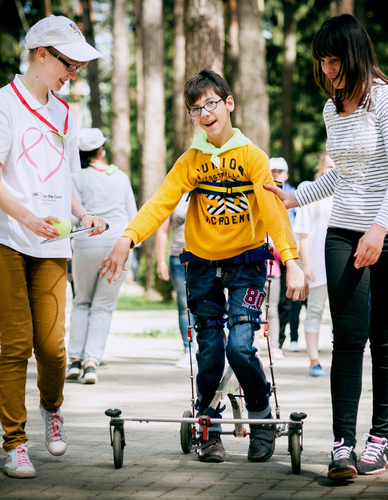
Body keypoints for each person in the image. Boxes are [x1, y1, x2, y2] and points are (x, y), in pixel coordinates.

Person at [100, 68, 308, 464]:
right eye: (196, 109)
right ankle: (208, 424)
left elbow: (272, 211)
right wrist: (127, 238)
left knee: (241, 345)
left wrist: (292, 260)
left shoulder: (252, 157)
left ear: (229, 104)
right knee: (210, 351)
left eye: (211, 103)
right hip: (201, 266)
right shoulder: (191, 160)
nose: (205, 113)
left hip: (247, 263)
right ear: (192, 117)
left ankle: (261, 412)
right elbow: (161, 202)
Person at [265, 14, 388, 480]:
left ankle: (380, 437)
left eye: (334, 61)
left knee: (385, 338)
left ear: (353, 55)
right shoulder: (333, 108)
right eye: (322, 62)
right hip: (344, 232)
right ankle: (341, 446)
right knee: (347, 339)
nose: (328, 70)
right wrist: (298, 196)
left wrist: (378, 229)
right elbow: (346, 172)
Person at [0, 15, 104, 478]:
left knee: (53, 348)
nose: (72, 73)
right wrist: (28, 218)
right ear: (41, 54)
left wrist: (82, 213)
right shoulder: (0, 105)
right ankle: (15, 443)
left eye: (76, 66)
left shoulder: (66, 114)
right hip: (3, 238)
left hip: (54, 242)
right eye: (67, 64)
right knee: (17, 343)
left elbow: (61, 178)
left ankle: (51, 407)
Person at [66, 128, 137, 384]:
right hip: (117, 243)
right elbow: (133, 214)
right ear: (102, 150)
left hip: (85, 242)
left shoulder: (74, 176)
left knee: (82, 301)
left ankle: (74, 360)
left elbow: (71, 212)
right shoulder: (119, 176)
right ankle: (91, 363)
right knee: (103, 306)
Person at [294, 153, 335, 377]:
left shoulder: (345, 191)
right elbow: (303, 234)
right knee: (315, 312)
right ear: (320, 168)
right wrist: (305, 263)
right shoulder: (310, 190)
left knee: (340, 316)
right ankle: (314, 361)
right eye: (328, 166)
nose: (332, 169)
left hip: (340, 267)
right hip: (317, 266)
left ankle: (340, 360)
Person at [155, 193, 196, 369]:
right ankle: (189, 349)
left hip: (204, 258)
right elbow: (163, 231)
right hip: (178, 258)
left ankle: (209, 347)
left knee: (208, 302)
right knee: (184, 304)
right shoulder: (174, 196)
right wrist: (161, 261)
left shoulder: (208, 189)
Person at [269, 157, 302, 354]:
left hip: (288, 254)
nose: (276, 174)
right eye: (273, 170)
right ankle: (277, 341)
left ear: (286, 174)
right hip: (271, 256)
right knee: (273, 301)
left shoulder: (295, 194)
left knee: (286, 300)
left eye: (279, 171)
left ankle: (282, 339)